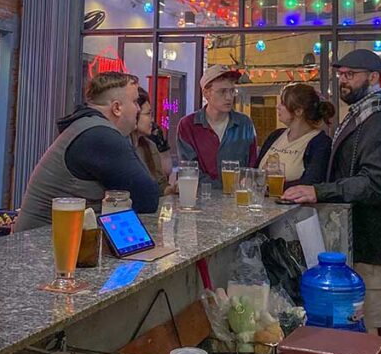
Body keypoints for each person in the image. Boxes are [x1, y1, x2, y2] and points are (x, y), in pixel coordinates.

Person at [282, 49, 381, 354]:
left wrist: (320, 190)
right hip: (368, 237)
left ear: (373, 78)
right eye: (342, 74)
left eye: (351, 75)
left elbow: (379, 182)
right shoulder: (365, 115)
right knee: (375, 318)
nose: (343, 80)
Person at [15, 72, 161, 232]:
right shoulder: (99, 135)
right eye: (135, 102)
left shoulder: (88, 126)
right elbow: (148, 197)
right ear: (117, 108)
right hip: (43, 247)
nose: (138, 109)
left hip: (49, 239)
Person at [176, 65, 257, 180]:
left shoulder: (244, 124)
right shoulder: (188, 125)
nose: (229, 97)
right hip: (201, 196)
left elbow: (252, 167)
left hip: (237, 196)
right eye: (222, 91)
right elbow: (189, 171)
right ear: (206, 93)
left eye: (232, 91)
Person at [257, 83, 334, 185]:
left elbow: (310, 183)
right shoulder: (275, 135)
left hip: (292, 201)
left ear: (298, 111)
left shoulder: (320, 143)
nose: (278, 106)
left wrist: (272, 186)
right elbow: (254, 171)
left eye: (283, 103)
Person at [132, 87, 173, 193]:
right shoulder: (121, 146)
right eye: (148, 114)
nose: (152, 120)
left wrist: (174, 189)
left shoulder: (150, 146)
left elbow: (161, 186)